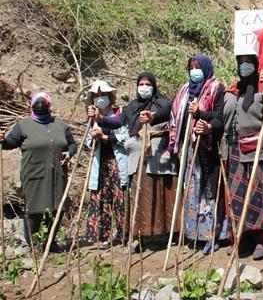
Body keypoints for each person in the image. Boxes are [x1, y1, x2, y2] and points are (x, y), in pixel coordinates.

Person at [222, 54, 263, 260]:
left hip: (261, 148)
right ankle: (242, 236)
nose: (244, 66)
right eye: (241, 62)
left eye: (249, 62)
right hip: (237, 149)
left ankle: (261, 238)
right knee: (238, 195)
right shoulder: (233, 89)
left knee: (259, 193)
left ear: (256, 65)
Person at [0, 93, 77, 249]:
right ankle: (33, 244)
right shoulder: (23, 125)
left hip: (57, 174)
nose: (40, 104)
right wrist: (2, 140)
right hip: (34, 174)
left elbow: (72, 144)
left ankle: (50, 242)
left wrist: (69, 153)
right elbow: (11, 143)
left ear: (49, 105)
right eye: (37, 101)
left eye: (44, 101)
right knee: (35, 209)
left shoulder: (60, 125)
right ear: (31, 105)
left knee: (57, 208)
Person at [168, 55, 226, 254]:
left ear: (207, 68)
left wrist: (203, 118)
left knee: (210, 192)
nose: (194, 71)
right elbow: (174, 116)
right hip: (189, 148)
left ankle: (213, 235)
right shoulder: (184, 91)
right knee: (192, 190)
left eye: (198, 67)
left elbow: (221, 117)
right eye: (191, 67)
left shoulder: (216, 88)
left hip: (208, 148)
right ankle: (194, 235)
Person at [115, 72, 177, 241]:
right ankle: (141, 235)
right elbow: (117, 122)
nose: (144, 87)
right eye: (141, 84)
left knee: (162, 192)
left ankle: (164, 234)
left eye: (147, 84)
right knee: (140, 194)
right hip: (138, 159)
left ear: (154, 86)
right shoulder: (131, 107)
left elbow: (170, 111)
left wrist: (153, 117)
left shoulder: (163, 103)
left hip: (159, 158)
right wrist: (99, 119)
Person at [85, 80, 129, 248]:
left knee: (120, 197)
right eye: (96, 96)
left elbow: (125, 136)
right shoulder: (91, 117)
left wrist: (105, 137)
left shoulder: (119, 113)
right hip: (100, 162)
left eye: (103, 95)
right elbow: (87, 143)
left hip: (117, 161)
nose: (100, 98)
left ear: (110, 97)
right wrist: (94, 133)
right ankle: (103, 236)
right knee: (102, 197)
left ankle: (123, 234)